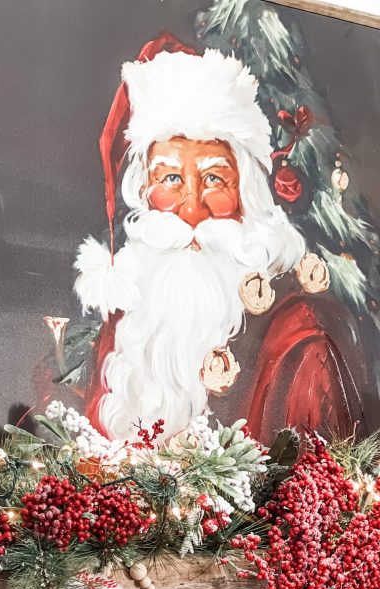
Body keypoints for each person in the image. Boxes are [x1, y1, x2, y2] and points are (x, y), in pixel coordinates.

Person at [74, 39, 367, 443]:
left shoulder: (299, 341)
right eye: (170, 178)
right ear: (143, 192)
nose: (192, 210)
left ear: (249, 196)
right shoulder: (127, 324)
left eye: (214, 179)